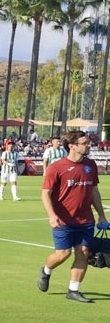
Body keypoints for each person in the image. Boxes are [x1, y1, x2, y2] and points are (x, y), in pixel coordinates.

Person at [37, 130, 109, 303]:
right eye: (84, 143)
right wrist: (52, 216)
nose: (88, 145)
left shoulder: (90, 165)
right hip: (63, 220)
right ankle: (46, 270)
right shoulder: (57, 167)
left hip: (86, 220)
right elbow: (45, 194)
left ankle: (73, 290)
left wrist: (101, 216)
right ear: (72, 146)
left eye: (88, 142)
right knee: (62, 254)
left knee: (83, 253)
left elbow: (94, 191)